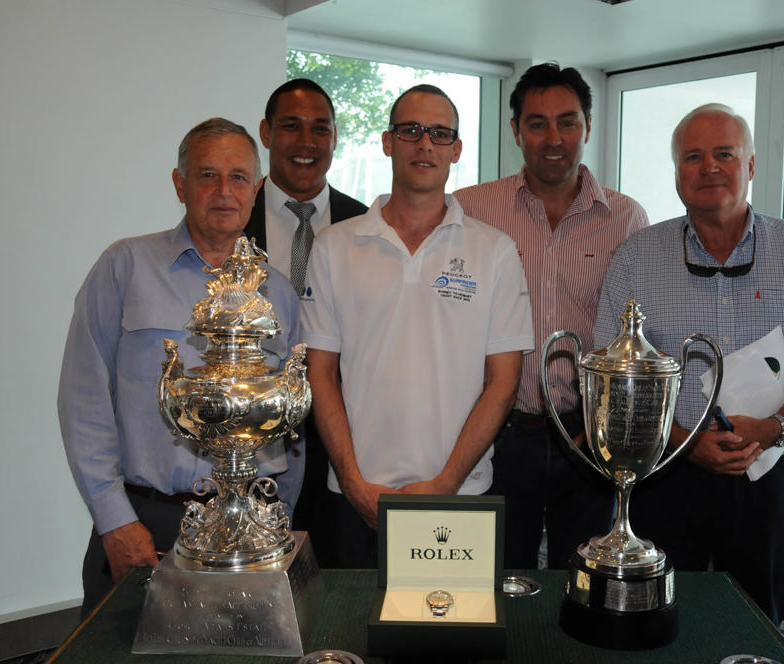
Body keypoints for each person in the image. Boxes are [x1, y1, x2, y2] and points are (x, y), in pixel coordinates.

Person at [593, 103, 784, 624]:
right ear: (677, 173)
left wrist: (776, 425)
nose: (708, 167)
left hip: (771, 468)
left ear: (752, 166)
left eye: (724, 154)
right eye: (692, 157)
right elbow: (613, 373)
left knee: (759, 617)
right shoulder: (637, 257)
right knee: (663, 616)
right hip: (667, 473)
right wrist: (682, 442)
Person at [58, 118, 302, 616]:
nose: (223, 191)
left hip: (253, 526)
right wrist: (113, 520)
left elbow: (291, 420)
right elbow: (83, 401)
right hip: (146, 522)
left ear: (256, 190)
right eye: (207, 175)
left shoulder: (278, 292)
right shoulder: (124, 266)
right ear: (179, 183)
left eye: (238, 178)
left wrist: (284, 519)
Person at [302, 85, 535, 567]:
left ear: (456, 150)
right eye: (410, 130)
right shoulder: (333, 246)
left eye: (439, 133)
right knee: (351, 636)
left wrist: (446, 485)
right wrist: (351, 481)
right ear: (388, 142)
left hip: (460, 497)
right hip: (356, 496)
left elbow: (504, 382)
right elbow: (318, 373)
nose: (424, 143)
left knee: (450, 639)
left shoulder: (494, 251)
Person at [454, 63, 648, 570]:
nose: (553, 138)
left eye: (568, 121)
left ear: (588, 125)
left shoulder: (626, 219)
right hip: (498, 430)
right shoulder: (471, 209)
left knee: (583, 577)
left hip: (586, 436)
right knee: (492, 573)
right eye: (537, 123)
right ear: (516, 130)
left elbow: (636, 333)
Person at [243, 78, 367, 566]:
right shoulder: (232, 218)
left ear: (335, 139)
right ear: (266, 133)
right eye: (291, 127)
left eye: (321, 129)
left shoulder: (366, 226)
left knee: (339, 579)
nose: (307, 142)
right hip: (254, 445)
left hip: (345, 443)